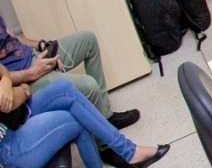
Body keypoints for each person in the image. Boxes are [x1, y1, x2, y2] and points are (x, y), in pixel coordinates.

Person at [0, 70, 169, 168]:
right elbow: (10, 99)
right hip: (12, 151)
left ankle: (129, 151)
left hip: (15, 118)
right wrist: (22, 89)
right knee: (77, 120)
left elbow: (3, 73)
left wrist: (7, 82)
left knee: (64, 88)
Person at [0, 17, 138, 129]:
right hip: (25, 81)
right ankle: (104, 147)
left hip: (34, 57)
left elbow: (11, 37)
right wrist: (32, 73)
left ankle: (106, 117)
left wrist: (40, 45)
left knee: (88, 39)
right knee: (89, 86)